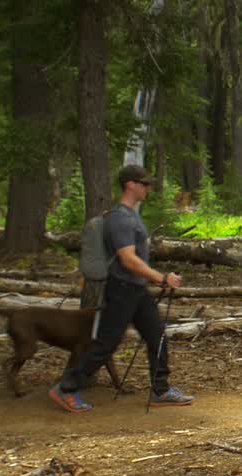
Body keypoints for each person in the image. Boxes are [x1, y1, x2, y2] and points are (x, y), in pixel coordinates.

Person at [49, 165, 193, 412]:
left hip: (136, 289)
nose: (148, 188)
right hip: (122, 290)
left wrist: (153, 279)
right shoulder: (119, 218)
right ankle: (66, 388)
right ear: (130, 185)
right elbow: (128, 259)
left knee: (156, 334)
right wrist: (161, 277)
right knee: (107, 343)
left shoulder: (131, 215)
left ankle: (160, 390)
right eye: (144, 184)